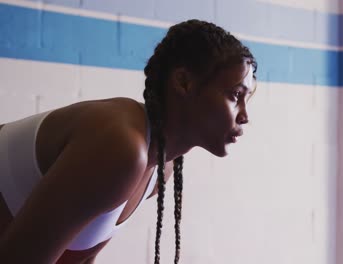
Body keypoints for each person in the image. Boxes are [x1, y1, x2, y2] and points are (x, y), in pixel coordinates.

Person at [0, 19, 257, 264]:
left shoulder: (161, 167)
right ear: (184, 82)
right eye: (235, 95)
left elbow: (77, 256)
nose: (245, 116)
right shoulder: (120, 146)